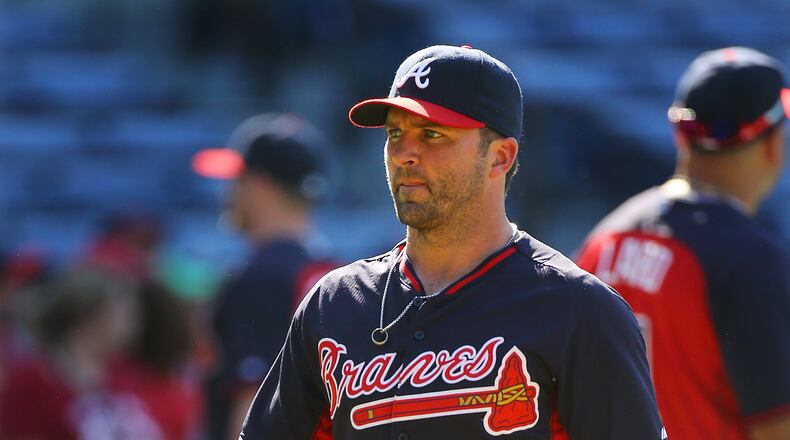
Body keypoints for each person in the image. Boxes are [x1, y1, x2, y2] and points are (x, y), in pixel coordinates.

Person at [240, 45, 664, 439]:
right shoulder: (335, 304)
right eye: (394, 133)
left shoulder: (579, 310)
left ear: (500, 157)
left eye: (431, 134)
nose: (404, 152)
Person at [575, 47, 790, 440]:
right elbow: (777, 427)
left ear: (679, 133)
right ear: (773, 143)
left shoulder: (604, 237)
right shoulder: (752, 259)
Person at [191, 113, 336, 440]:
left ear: (260, 185)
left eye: (236, 180)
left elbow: (254, 404)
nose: (228, 193)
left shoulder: (260, 276)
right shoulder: (341, 273)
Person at [0, 268, 163, 439]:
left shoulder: (124, 373)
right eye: (125, 314)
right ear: (90, 316)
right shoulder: (32, 382)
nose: (135, 324)